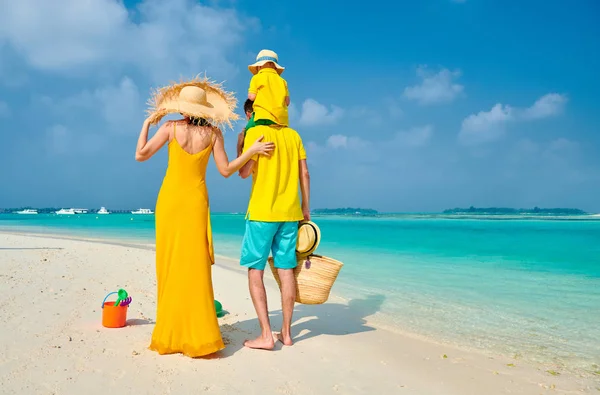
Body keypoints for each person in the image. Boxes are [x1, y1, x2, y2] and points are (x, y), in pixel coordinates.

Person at [135, 77, 275, 358]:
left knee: (171, 264)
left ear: (183, 109)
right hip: (196, 203)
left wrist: (147, 124)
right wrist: (250, 152)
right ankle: (199, 335)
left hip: (170, 202)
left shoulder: (169, 127)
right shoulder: (213, 134)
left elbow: (140, 155)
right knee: (196, 266)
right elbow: (226, 171)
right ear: (205, 110)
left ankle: (171, 334)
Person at [238, 120, 311, 349]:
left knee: (255, 271)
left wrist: (243, 146)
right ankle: (287, 334)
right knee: (286, 271)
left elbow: (243, 172)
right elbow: (305, 173)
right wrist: (305, 207)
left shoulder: (255, 132)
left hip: (261, 214)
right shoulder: (294, 135)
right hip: (290, 213)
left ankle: (267, 335)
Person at [244, 49, 290, 135]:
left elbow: (251, 97)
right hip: (281, 119)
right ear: (275, 67)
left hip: (262, 116)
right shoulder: (283, 81)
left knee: (247, 130)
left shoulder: (256, 78)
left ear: (259, 66)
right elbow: (287, 102)